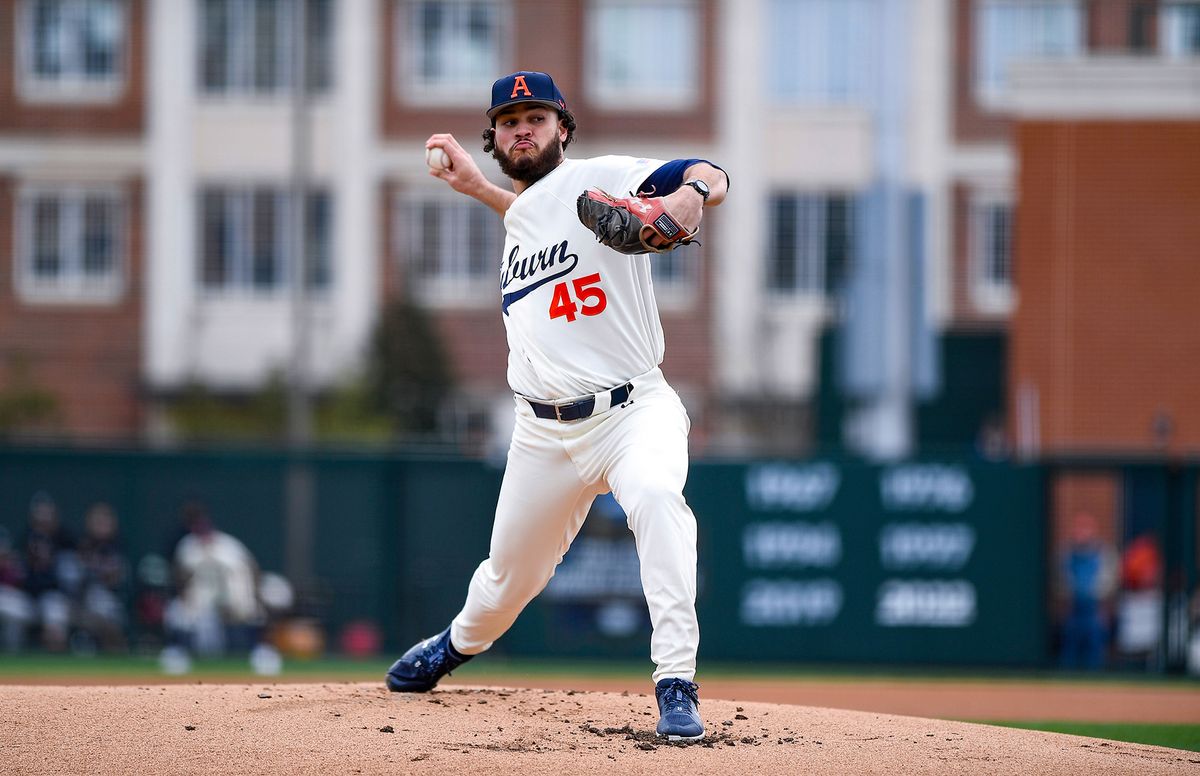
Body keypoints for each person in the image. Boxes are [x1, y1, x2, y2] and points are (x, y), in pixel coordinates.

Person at [385, 71, 728, 742]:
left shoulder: (604, 176)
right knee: (507, 578)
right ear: (494, 138)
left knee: (657, 500)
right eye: (510, 120)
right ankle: (453, 645)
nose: (523, 128)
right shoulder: (523, 219)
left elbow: (711, 170)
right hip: (543, 435)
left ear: (562, 130)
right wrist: (475, 189)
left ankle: (675, 683)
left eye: (536, 117)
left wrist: (689, 196)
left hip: (634, 411)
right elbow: (535, 219)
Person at [1056, 511, 1117, 669]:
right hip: (1073, 609)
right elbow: (1061, 581)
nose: (1082, 532)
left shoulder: (1104, 553)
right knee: (1069, 648)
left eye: (1086, 528)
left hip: (1095, 609)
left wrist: (1103, 606)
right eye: (1079, 528)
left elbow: (1109, 582)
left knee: (1095, 648)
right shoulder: (1066, 553)